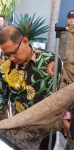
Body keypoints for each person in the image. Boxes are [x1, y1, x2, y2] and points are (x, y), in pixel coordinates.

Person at [0, 25, 62, 149]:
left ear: (25, 41)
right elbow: (1, 96)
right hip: (21, 130)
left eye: (13, 52)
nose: (11, 58)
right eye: (7, 55)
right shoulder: (5, 68)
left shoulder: (51, 62)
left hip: (47, 131)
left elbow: (56, 96)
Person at [58, 10, 74, 149]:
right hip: (65, 69)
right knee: (64, 97)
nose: (71, 21)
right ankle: (64, 125)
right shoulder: (63, 32)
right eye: (69, 18)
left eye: (73, 18)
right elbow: (60, 51)